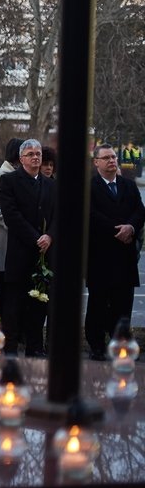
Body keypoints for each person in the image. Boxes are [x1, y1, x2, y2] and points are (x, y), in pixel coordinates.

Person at [86, 144, 145, 360]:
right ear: (96, 162)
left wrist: (130, 227)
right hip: (100, 255)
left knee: (123, 305)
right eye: (106, 158)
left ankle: (120, 344)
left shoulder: (128, 185)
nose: (112, 160)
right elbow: (90, 214)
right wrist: (116, 229)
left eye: (113, 157)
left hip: (124, 255)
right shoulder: (89, 187)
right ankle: (97, 346)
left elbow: (140, 211)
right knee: (98, 304)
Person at [0, 139, 55, 357]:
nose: (36, 157)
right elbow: (12, 216)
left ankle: (35, 347)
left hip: (45, 255)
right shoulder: (9, 181)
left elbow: (58, 215)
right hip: (20, 253)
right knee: (14, 306)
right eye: (30, 153)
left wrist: (49, 236)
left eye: (38, 153)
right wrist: (36, 238)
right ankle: (10, 348)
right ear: (21, 158)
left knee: (39, 304)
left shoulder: (51, 184)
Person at [0, 139, 23, 317]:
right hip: (5, 235)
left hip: (21, 236)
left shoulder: (23, 175)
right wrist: (13, 223)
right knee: (3, 280)